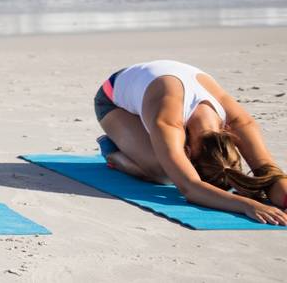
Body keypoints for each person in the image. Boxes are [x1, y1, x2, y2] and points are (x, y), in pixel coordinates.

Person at [95, 59, 287, 225]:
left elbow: (268, 171)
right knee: (163, 173)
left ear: (229, 135)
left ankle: (135, 142)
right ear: (186, 150)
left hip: (156, 86)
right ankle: (114, 151)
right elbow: (189, 187)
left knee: (169, 164)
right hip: (113, 99)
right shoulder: (168, 123)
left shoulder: (240, 123)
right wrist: (248, 205)